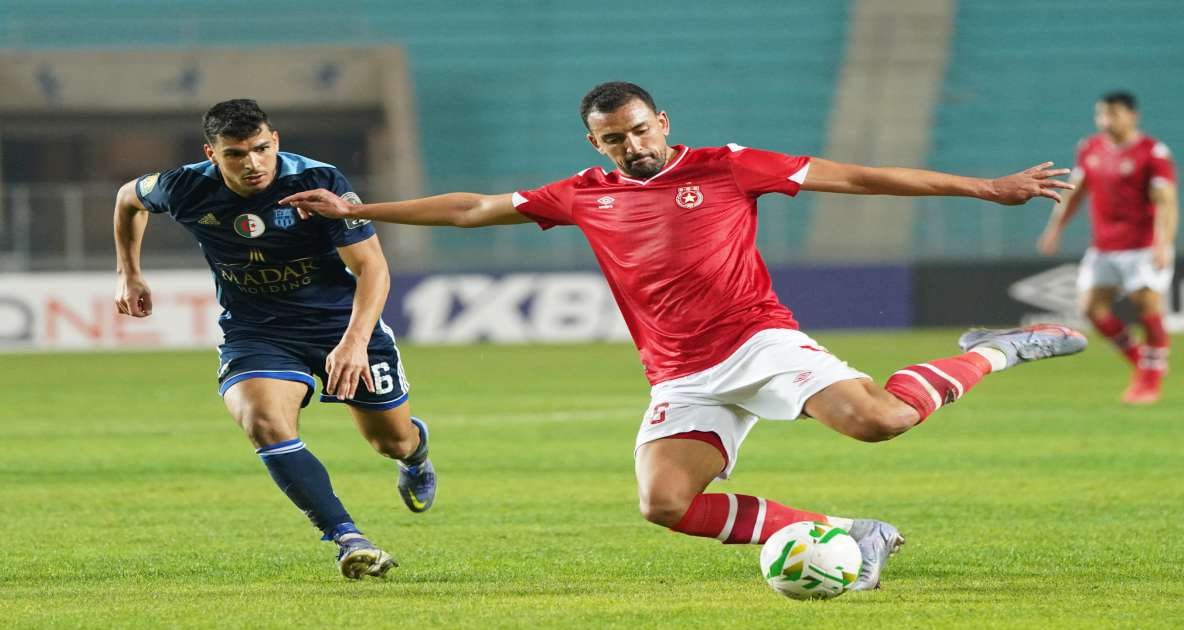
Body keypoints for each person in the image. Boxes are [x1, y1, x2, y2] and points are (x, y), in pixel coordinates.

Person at [282, 82, 1086, 591]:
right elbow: (469, 207)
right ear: (592, 143)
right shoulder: (581, 194)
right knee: (664, 504)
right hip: (680, 374)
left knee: (881, 421)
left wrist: (986, 188)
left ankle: (997, 346)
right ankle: (846, 536)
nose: (630, 147)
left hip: (757, 339)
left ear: (661, 122)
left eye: (638, 131)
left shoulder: (726, 166)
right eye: (612, 139)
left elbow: (859, 175)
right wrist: (358, 210)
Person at [113, 99, 436, 579]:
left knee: (390, 440)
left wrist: (352, 342)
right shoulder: (183, 186)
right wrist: (129, 273)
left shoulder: (318, 181)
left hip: (339, 323)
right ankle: (347, 538)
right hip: (256, 329)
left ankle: (415, 453)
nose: (253, 163)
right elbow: (127, 198)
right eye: (236, 155)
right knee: (264, 421)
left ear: (275, 141)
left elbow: (371, 267)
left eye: (261, 149)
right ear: (212, 154)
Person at [1037, 91, 1177, 404]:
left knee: (1148, 308)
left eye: (1113, 113)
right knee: (1091, 309)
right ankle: (1143, 360)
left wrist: (1163, 244)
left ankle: (1149, 381)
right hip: (1103, 247)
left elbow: (1166, 202)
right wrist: (1054, 228)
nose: (1105, 120)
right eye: (1101, 114)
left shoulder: (1152, 152)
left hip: (1141, 247)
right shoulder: (1090, 148)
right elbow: (1076, 192)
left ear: (1132, 116)